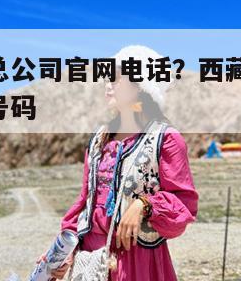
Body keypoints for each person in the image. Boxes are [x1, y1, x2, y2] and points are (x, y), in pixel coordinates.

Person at [37, 44, 199, 281]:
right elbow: (86, 201)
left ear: (140, 85)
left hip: (138, 263)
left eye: (115, 77)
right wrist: (66, 250)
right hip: (89, 260)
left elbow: (184, 203)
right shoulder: (99, 139)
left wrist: (143, 205)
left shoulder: (165, 139)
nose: (108, 84)